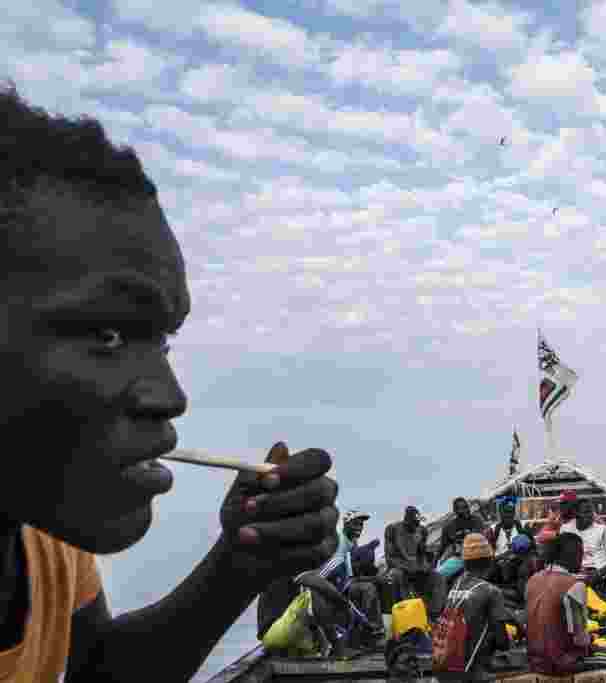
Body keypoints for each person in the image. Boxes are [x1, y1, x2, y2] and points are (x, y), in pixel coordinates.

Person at [0, 85, 340, 682]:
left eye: (160, 340)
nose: (170, 395)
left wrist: (240, 565)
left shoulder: (39, 536)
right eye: (107, 335)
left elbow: (95, 671)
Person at [434, 533, 513, 679]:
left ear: (465, 562)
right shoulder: (491, 591)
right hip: (471, 672)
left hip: (446, 667)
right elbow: (503, 643)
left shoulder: (455, 585)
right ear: (489, 560)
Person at [525, 532, 591, 675]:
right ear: (574, 555)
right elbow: (581, 640)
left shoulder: (532, 580)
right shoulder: (575, 585)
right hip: (561, 664)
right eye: (581, 554)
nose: (582, 559)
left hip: (534, 663)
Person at [319, 510, 384, 639]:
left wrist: (374, 578)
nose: (359, 528)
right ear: (346, 525)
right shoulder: (340, 542)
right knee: (368, 589)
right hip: (331, 588)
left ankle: (371, 630)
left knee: (374, 585)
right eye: (355, 524)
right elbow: (324, 574)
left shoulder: (350, 543)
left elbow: (350, 577)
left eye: (361, 525)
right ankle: (369, 630)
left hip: (343, 585)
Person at [385, 506, 446, 620]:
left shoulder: (422, 530)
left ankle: (434, 614)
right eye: (413, 523)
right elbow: (390, 558)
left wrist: (426, 564)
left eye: (418, 523)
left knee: (438, 577)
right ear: (406, 520)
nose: (416, 526)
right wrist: (408, 567)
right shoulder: (392, 529)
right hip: (400, 568)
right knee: (395, 575)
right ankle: (408, 616)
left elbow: (422, 555)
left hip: (417, 569)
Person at [559, 499, 606, 595]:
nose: (591, 515)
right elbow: (561, 556)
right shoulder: (565, 529)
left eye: (591, 511)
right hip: (575, 576)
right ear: (576, 513)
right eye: (586, 512)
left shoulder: (602, 530)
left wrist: (600, 573)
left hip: (599, 575)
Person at [484, 501, 539, 600]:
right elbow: (488, 554)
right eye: (505, 512)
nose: (508, 515)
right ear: (500, 514)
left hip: (519, 560)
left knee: (525, 568)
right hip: (499, 561)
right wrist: (502, 557)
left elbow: (533, 548)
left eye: (511, 512)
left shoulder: (522, 527)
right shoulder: (493, 530)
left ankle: (521, 595)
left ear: (514, 513)